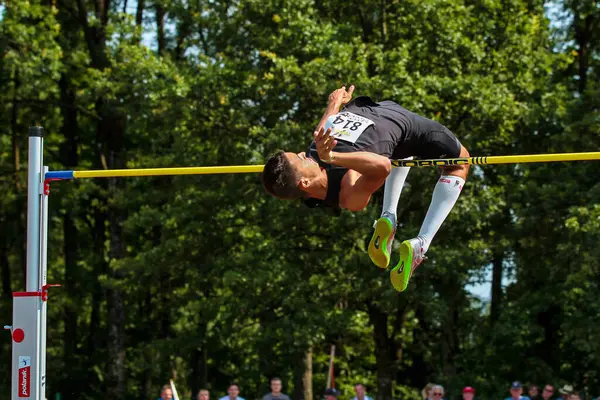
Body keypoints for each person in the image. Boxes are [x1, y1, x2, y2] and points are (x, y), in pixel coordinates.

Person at [262, 85, 469, 292]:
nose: (302, 153)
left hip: (381, 116)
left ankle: (391, 219)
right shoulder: (348, 193)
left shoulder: (317, 152)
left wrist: (334, 103)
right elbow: (382, 166)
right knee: (460, 162)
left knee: (395, 151)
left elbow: (322, 130)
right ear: (304, 183)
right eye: (299, 158)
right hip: (396, 122)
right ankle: (416, 239)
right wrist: (331, 157)